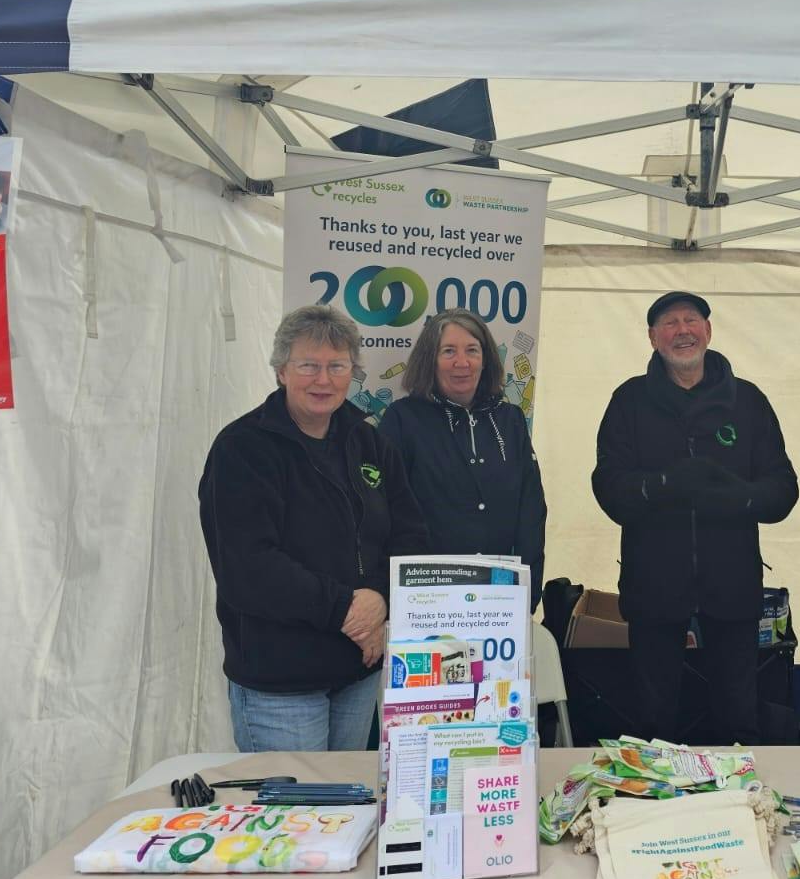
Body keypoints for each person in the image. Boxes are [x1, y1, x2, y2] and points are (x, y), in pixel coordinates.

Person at [199, 305, 429, 751]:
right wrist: (346, 609)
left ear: (352, 372)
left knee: (345, 797)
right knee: (297, 799)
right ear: (282, 370)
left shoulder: (369, 442)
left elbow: (409, 535)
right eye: (308, 365)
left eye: (336, 366)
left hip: (357, 671)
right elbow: (249, 568)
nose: (323, 379)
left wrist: (382, 598)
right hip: (281, 684)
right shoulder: (242, 450)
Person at [591, 292, 799, 745]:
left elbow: (784, 492)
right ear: (653, 338)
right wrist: (664, 485)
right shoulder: (629, 401)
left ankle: (740, 790)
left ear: (708, 330)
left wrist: (738, 497)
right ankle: (655, 790)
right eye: (669, 323)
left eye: (691, 320)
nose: (682, 330)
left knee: (738, 719)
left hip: (733, 588)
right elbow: (609, 489)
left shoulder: (748, 401)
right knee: (652, 724)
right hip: (654, 589)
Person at [378, 308, 547, 610]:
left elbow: (531, 511)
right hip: (426, 599)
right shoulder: (403, 419)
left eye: (472, 350)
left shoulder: (510, 419)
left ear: (486, 359)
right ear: (429, 359)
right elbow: (385, 511)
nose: (462, 362)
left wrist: (529, 593)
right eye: (448, 351)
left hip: (498, 597)